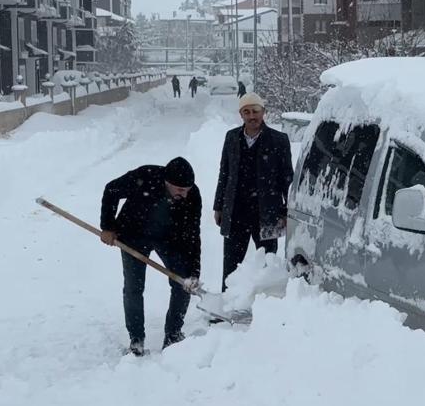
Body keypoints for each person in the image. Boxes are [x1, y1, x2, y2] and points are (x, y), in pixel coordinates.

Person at [100, 157, 202, 356]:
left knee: (182, 283)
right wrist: (108, 227)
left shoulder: (192, 195)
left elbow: (193, 235)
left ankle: (173, 335)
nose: (184, 194)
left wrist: (193, 273)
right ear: (167, 182)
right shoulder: (146, 176)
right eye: (180, 189)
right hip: (133, 234)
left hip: (169, 239)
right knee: (134, 287)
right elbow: (111, 189)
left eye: (187, 189)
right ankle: (136, 340)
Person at [214, 93, 293, 292]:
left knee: (268, 263)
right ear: (241, 114)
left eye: (255, 111)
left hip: (268, 212)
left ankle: (266, 301)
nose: (252, 116)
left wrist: (286, 211)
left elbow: (287, 179)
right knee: (231, 263)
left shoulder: (279, 140)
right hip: (236, 211)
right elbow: (224, 173)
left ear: (263, 112)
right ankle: (227, 300)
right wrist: (219, 206)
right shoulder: (232, 137)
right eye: (246, 112)